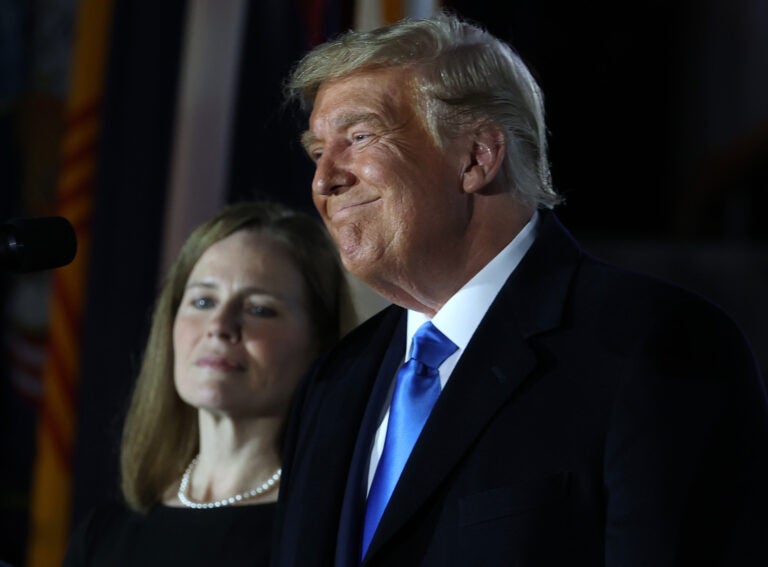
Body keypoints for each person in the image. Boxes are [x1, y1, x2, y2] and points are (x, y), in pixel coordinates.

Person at [271, 11, 768, 567]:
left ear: (477, 156)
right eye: (317, 151)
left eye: (359, 137)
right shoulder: (335, 381)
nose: (324, 180)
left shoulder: (654, 346)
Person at [63, 200, 356, 566]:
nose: (219, 326)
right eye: (202, 301)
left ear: (320, 341)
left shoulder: (335, 533)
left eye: (259, 309)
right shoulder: (105, 535)